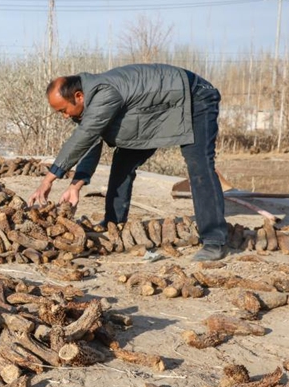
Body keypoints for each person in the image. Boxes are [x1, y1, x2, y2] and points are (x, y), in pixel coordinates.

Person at [27, 63, 228, 262]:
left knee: (199, 165)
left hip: (194, 97)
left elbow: (84, 136)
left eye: (63, 110)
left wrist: (48, 180)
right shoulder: (87, 103)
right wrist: (76, 185)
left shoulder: (104, 93)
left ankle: (214, 240)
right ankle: (114, 224)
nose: (64, 116)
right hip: (154, 112)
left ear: (79, 96)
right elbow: (91, 143)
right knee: (123, 162)